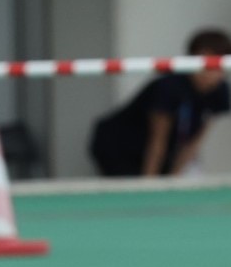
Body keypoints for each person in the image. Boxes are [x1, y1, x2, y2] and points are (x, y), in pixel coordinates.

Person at [91, 28, 231, 177]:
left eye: (216, 65)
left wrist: (174, 180)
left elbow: (194, 141)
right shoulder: (169, 87)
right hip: (119, 144)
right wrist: (150, 187)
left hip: (166, 149)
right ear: (191, 60)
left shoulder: (220, 92)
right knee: (135, 191)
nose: (210, 72)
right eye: (205, 63)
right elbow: (157, 141)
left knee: (178, 181)